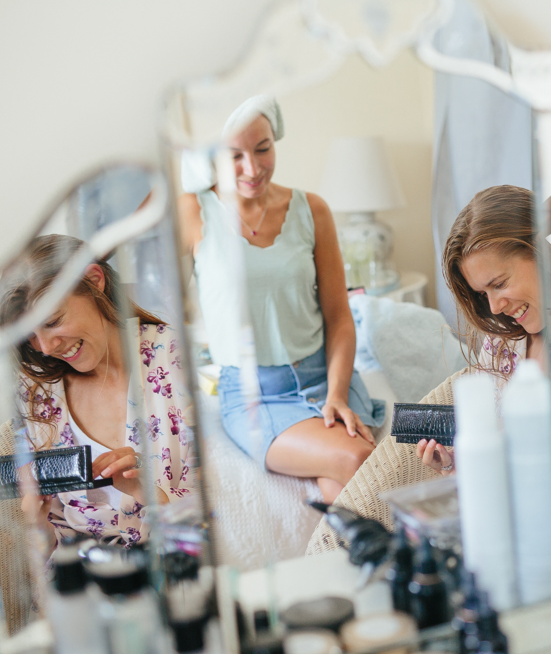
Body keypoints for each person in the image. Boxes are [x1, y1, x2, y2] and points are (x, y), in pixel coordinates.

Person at [178, 95, 384, 503]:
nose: (252, 169)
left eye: (262, 149)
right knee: (359, 456)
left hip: (328, 379)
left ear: (276, 141)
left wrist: (337, 395)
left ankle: (345, 561)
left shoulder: (312, 209)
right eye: (233, 156)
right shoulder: (194, 211)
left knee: (342, 487)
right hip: (256, 396)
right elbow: (158, 301)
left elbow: (339, 317)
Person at [0, 235, 194, 549]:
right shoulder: (39, 395)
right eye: (29, 336)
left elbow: (230, 508)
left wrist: (151, 496)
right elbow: (54, 547)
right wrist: (37, 521)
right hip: (86, 585)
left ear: (94, 281)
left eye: (52, 321)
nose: (46, 348)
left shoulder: (177, 357)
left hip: (179, 570)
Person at [416, 184, 551, 474]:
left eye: (499, 284)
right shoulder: (500, 342)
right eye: (483, 294)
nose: (495, 307)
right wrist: (456, 464)